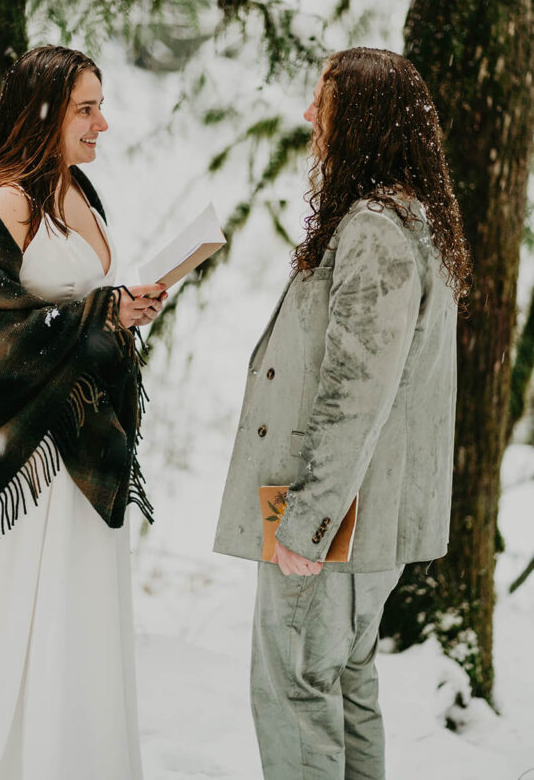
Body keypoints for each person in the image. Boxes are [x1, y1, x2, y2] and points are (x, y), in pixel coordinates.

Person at [0, 45, 166, 780]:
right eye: (85, 107)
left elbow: (76, 308)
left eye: (100, 105)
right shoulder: (0, 201)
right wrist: (98, 314)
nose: (102, 122)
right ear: (39, 113)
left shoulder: (79, 192)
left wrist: (123, 309)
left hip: (79, 443)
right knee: (19, 621)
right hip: (20, 457)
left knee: (75, 625)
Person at [214, 47, 471, 780]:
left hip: (335, 516)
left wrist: (307, 520)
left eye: (320, 105)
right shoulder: (413, 221)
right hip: (366, 518)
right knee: (344, 683)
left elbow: (355, 391)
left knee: (295, 690)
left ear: (358, 121)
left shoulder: (375, 230)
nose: (307, 118)